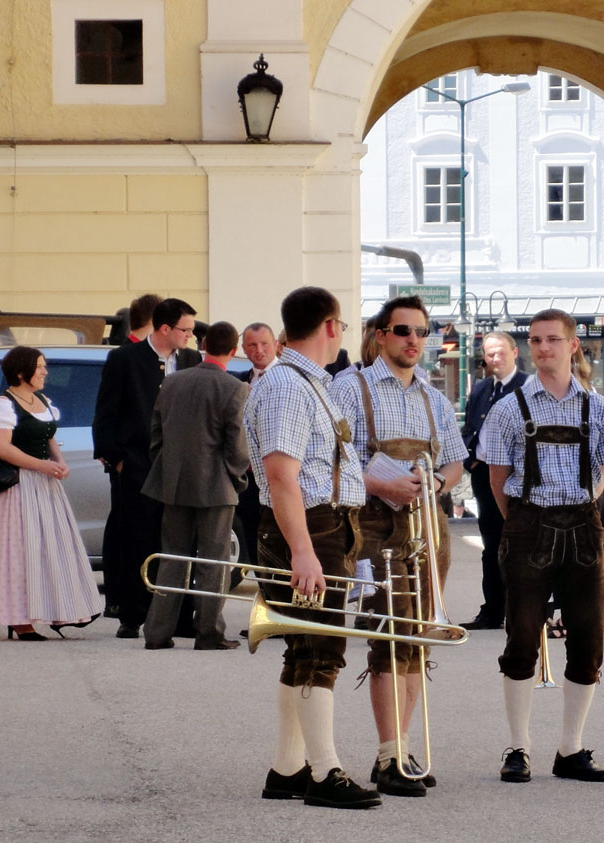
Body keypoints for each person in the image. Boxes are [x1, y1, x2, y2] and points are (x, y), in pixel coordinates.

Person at [244, 286, 379, 809]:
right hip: (309, 528)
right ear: (329, 325)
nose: (341, 333)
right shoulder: (286, 385)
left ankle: (287, 768)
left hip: (325, 526)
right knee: (321, 648)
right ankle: (324, 774)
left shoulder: (305, 382)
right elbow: (282, 477)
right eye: (342, 325)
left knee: (304, 648)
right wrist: (302, 551)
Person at [331, 295, 467, 798]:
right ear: (381, 335)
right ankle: (389, 754)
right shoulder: (350, 387)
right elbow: (335, 457)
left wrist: (435, 485)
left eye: (421, 332)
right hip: (373, 526)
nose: (414, 340)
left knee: (415, 640)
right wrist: (380, 484)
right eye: (403, 330)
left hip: (426, 529)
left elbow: (454, 461)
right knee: (386, 637)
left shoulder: (433, 398)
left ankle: (402, 748)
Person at [481, 308, 604, 785]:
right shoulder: (507, 409)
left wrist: (583, 504)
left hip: (584, 527)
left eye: (553, 340)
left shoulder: (597, 407)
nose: (543, 348)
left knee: (590, 638)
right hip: (529, 527)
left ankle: (571, 748)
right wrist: (525, 521)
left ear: (573, 344)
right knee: (521, 636)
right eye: (536, 340)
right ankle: (518, 747)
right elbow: (498, 482)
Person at [0, 346, 103, 640]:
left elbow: (49, 435)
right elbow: (0, 447)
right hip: (14, 487)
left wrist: (59, 461)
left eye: (44, 366)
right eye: (39, 366)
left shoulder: (41, 400)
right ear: (20, 372)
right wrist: (41, 465)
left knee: (48, 549)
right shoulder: (1, 405)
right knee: (17, 552)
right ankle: (17, 619)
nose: (45, 371)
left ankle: (58, 610)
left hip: (44, 485)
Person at [93, 298, 202, 639]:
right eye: (186, 330)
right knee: (137, 537)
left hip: (181, 465)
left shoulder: (190, 360)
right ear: (165, 328)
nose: (191, 337)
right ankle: (132, 614)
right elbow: (106, 412)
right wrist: (118, 459)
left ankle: (181, 617)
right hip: (138, 465)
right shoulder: (124, 359)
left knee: (181, 541)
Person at [141, 321, 249, 651]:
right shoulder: (234, 388)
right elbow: (237, 446)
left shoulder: (172, 382)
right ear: (234, 350)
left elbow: (156, 436)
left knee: (172, 557)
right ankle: (208, 632)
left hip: (173, 482)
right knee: (213, 562)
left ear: (202, 344)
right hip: (216, 485)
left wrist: (167, 467)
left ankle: (157, 632)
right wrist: (237, 477)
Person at [460, 331, 527, 630]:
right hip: (484, 474)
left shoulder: (528, 386)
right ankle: (492, 611)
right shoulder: (482, 388)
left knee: (520, 544)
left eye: (500, 352)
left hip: (517, 477)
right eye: (489, 354)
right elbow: (469, 427)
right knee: (491, 545)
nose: (495, 358)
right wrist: (470, 460)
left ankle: (522, 610)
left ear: (514, 352)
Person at [236, 322, 280, 568]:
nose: (259, 350)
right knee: (253, 539)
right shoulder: (240, 380)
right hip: (248, 479)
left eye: (264, 344)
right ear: (244, 348)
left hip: (277, 475)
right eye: (252, 345)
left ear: (275, 345)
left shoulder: (287, 380)